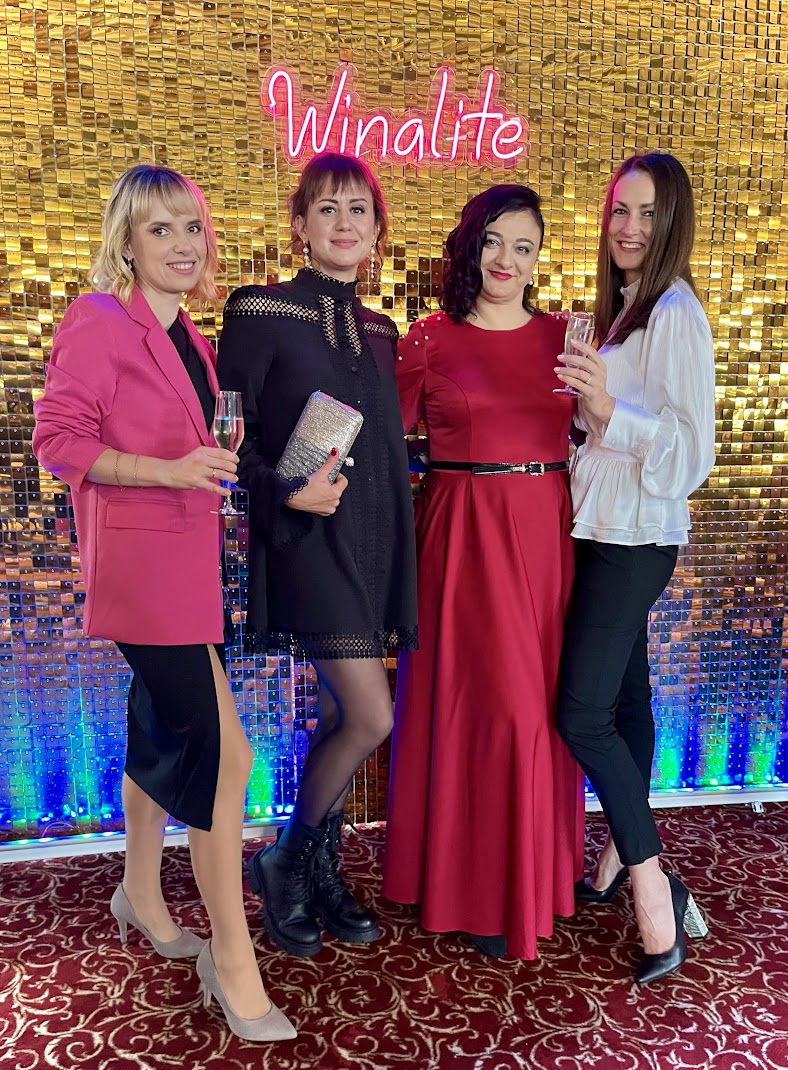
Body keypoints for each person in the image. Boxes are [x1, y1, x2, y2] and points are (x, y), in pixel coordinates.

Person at [32, 165, 296, 1042]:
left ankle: (140, 892)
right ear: (127, 243)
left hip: (188, 571)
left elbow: (204, 449)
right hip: (143, 576)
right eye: (160, 230)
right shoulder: (98, 320)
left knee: (159, 733)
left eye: (191, 227)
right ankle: (232, 960)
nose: (183, 245)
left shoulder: (188, 333)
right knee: (227, 761)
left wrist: (241, 476)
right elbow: (58, 441)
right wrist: (170, 472)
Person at [217, 152, 417, 958]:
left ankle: (318, 872)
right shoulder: (258, 309)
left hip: (372, 542)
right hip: (305, 540)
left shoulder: (382, 331)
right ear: (299, 224)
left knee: (342, 716)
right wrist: (285, 494)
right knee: (373, 716)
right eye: (326, 208)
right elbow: (230, 442)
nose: (343, 222)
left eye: (358, 209)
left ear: (377, 230)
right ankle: (286, 859)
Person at [382, 184, 585, 960]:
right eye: (494, 241)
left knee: (542, 708)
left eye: (523, 247)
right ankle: (477, 889)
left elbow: (601, 435)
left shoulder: (567, 338)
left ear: (537, 260)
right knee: (486, 709)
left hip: (549, 535)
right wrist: (294, 472)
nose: (507, 259)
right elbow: (371, 433)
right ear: (471, 246)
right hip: (463, 539)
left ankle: (536, 879)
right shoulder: (429, 340)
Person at [554, 152, 716, 984]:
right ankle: (619, 856)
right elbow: (604, 432)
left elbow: (693, 453)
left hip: (634, 537)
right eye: (620, 209)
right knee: (624, 698)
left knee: (580, 714)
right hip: (600, 526)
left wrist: (606, 410)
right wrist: (584, 416)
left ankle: (655, 889)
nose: (629, 226)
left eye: (648, 213)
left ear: (671, 221)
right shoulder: (621, 311)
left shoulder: (676, 312)